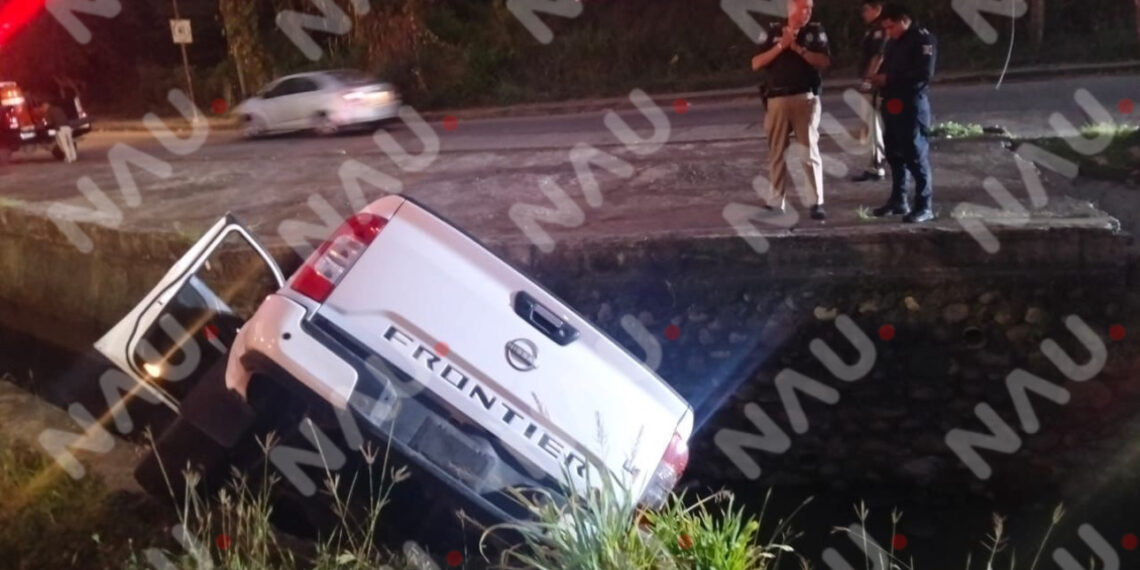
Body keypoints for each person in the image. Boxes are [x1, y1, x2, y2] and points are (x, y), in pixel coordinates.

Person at [751, 0, 831, 220]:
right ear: (790, 8)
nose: (807, 12)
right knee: (777, 152)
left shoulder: (814, 31)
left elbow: (824, 61)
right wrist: (781, 46)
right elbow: (756, 63)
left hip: (804, 97)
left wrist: (798, 48)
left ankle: (816, 203)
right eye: (803, 7)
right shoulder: (772, 31)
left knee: (809, 150)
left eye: (810, 8)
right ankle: (776, 202)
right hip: (776, 98)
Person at [870, 2, 937, 223]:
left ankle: (924, 205)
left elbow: (924, 74)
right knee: (894, 153)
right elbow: (886, 67)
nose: (888, 32)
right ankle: (899, 200)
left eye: (891, 27)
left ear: (904, 20)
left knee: (915, 154)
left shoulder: (922, 39)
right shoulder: (893, 43)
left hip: (911, 104)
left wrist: (889, 79)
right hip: (892, 103)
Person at [851, 0, 888, 182]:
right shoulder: (874, 28)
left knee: (872, 124)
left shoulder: (880, 29)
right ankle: (877, 162)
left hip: (874, 84)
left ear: (877, 9)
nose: (863, 13)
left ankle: (876, 165)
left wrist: (868, 79)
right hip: (874, 82)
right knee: (873, 125)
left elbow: (879, 55)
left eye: (866, 9)